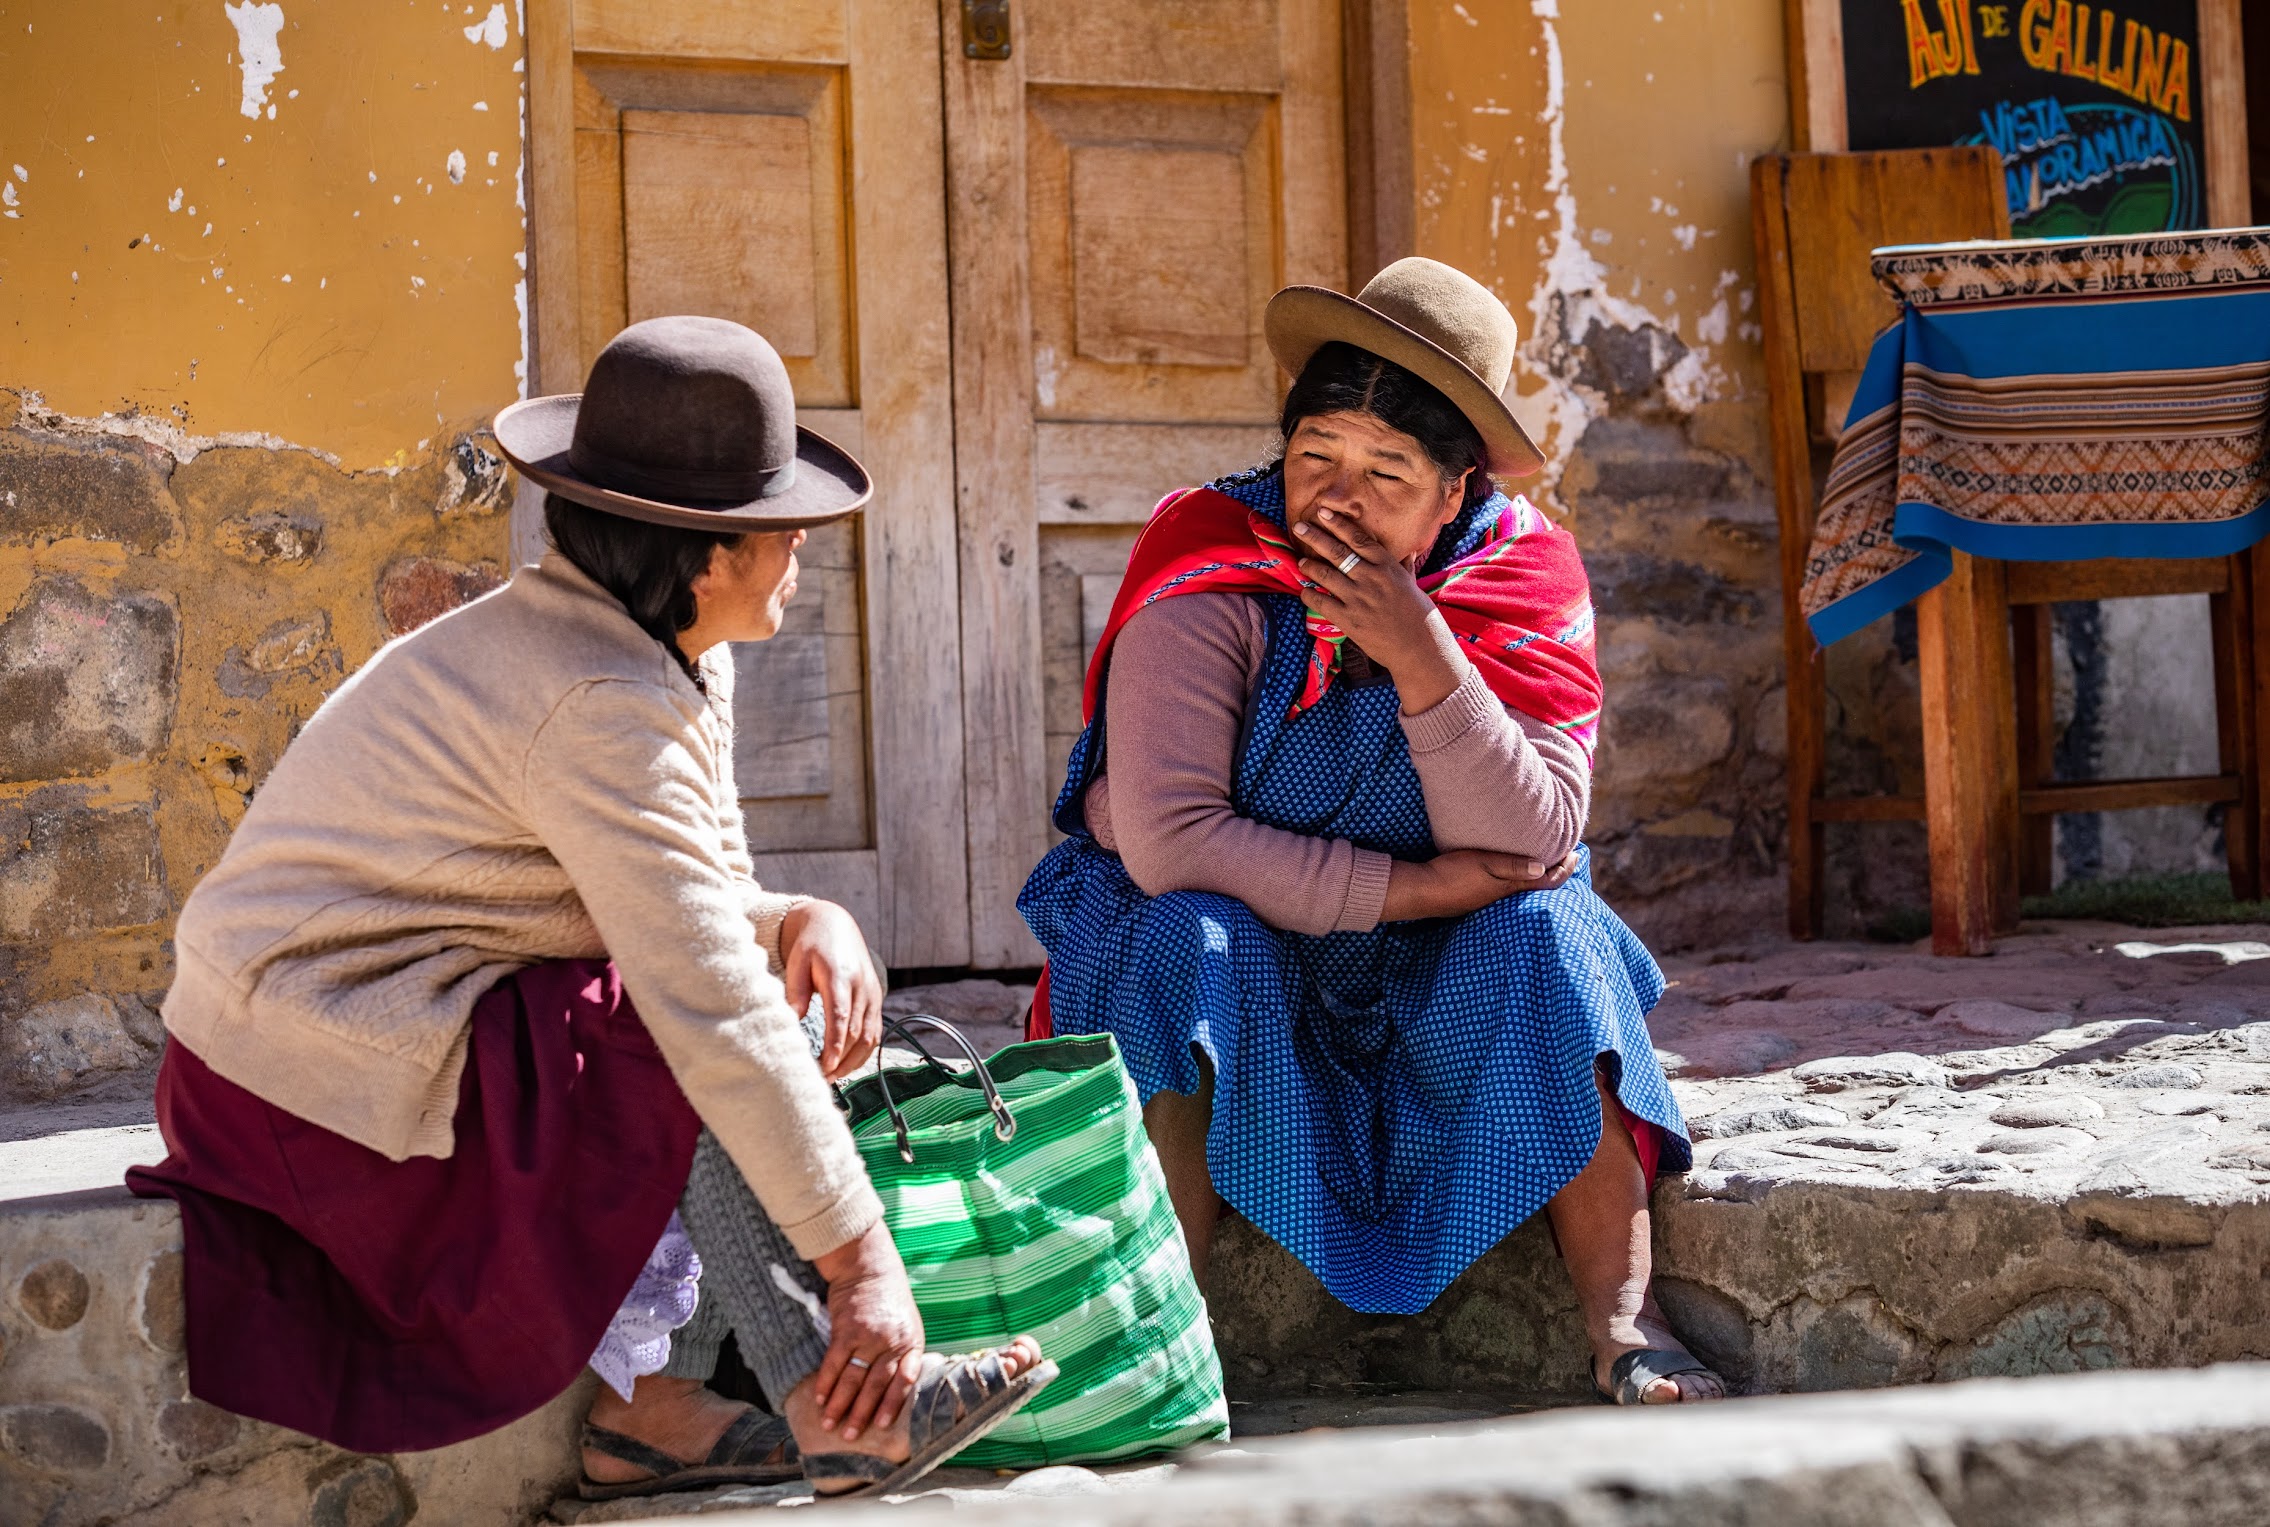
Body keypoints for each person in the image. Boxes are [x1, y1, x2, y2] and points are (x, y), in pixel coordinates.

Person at [127, 316, 1053, 1502]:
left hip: (384, 1021)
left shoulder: (656, 648)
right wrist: (861, 1264)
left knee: (715, 996)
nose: (804, 549)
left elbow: (695, 899)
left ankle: (650, 1414)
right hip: (301, 1077)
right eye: (782, 531)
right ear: (704, 555)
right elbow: (702, 996)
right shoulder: (598, 700)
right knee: (669, 1028)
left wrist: (791, 917)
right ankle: (833, 1402)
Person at [1019, 258, 1724, 1405]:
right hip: (1253, 965)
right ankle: (1153, 1353)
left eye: (1385, 473)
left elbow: (1536, 835)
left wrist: (1420, 653)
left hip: (1444, 980)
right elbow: (1169, 840)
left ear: (1455, 494)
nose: (1335, 501)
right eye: (1314, 460)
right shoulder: (1209, 562)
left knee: (1552, 938)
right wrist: (1424, 889)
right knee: (1176, 939)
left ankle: (1628, 1331)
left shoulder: (1517, 579)